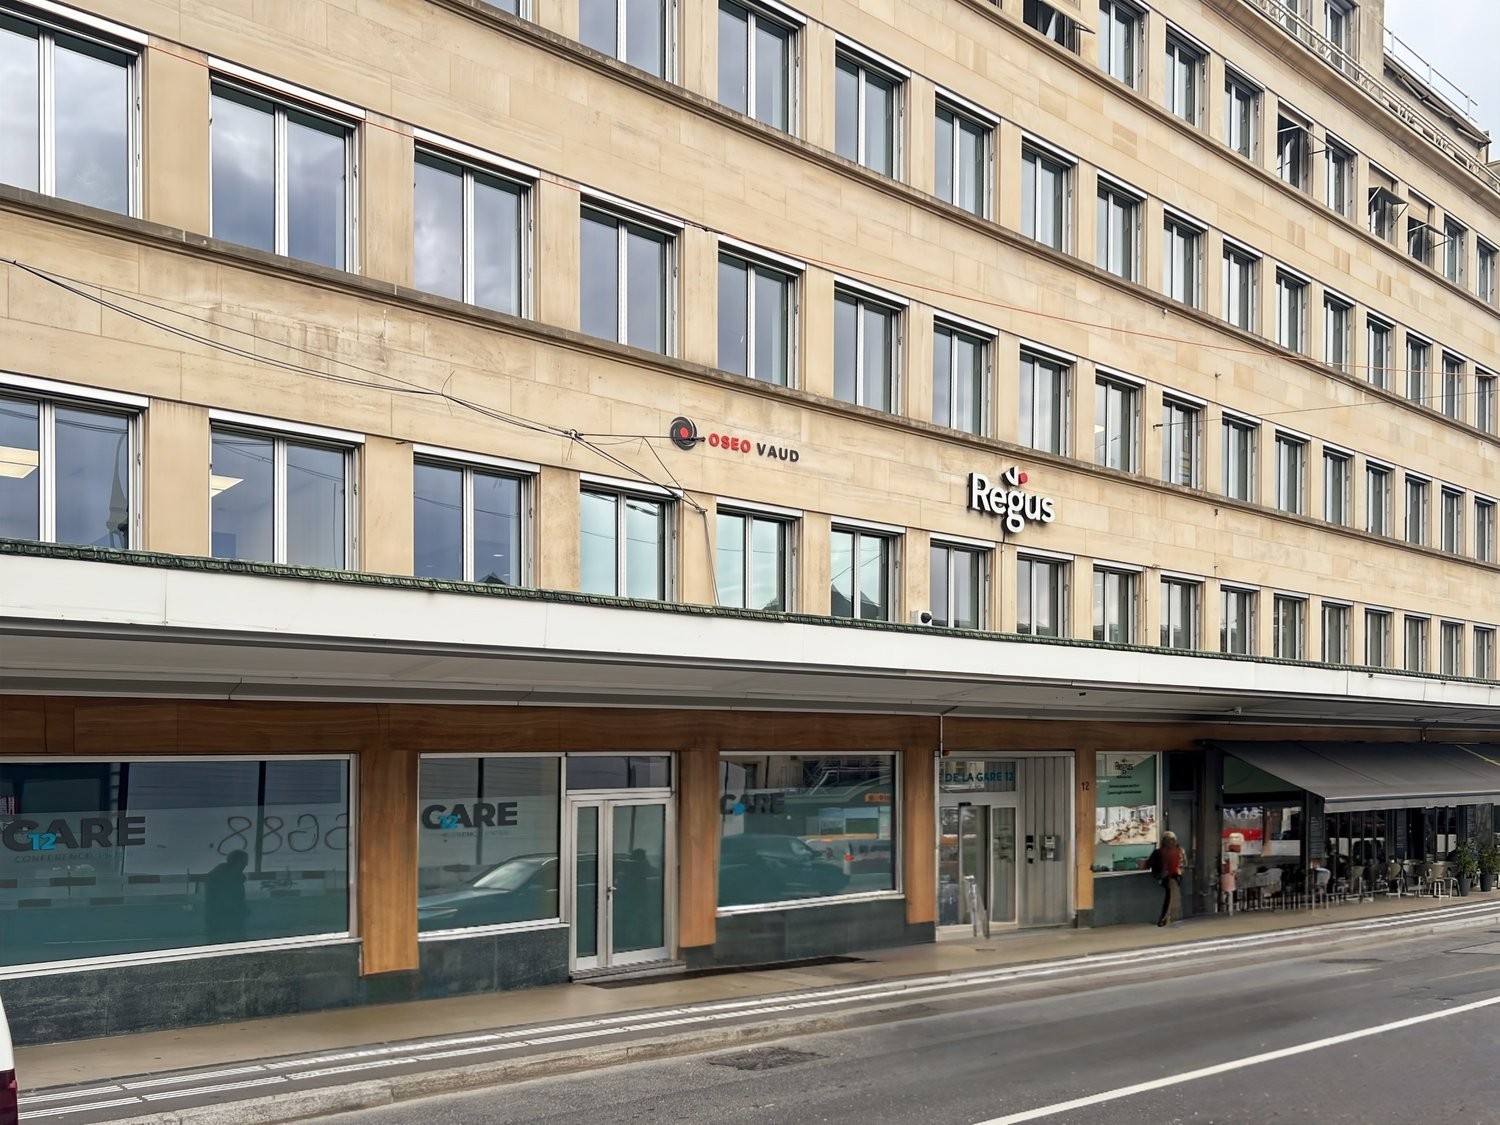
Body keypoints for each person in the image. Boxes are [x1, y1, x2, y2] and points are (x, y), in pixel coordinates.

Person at [204, 849, 250, 945]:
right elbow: (228, 901)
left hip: (224, 920)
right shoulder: (226, 878)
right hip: (225, 921)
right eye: (244, 862)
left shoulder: (225, 874)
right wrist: (241, 911)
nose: (246, 865)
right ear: (236, 862)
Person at [1146, 831, 1186, 927]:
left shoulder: (1159, 852)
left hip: (1166, 878)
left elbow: (1149, 864)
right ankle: (1168, 918)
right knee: (1171, 898)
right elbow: (1184, 864)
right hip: (1175, 877)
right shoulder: (1180, 851)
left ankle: (1165, 918)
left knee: (1169, 898)